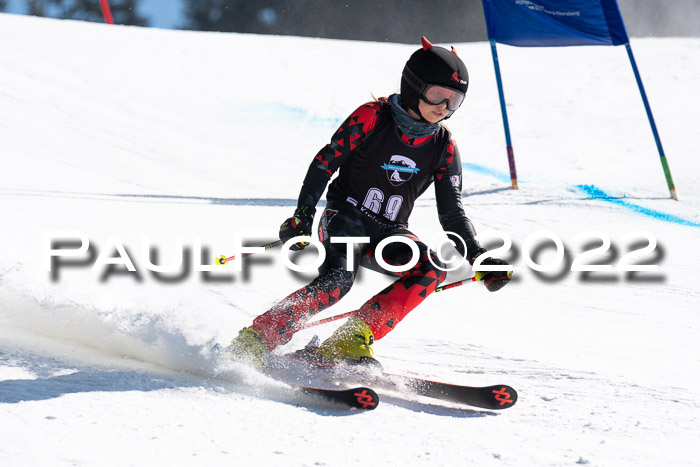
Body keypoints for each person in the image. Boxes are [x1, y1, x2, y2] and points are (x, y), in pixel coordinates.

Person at [228, 36, 511, 368]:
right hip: (344, 218)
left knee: (431, 268)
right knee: (338, 281)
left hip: (389, 231)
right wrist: (302, 216)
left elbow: (452, 211)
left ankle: (350, 341)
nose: (444, 108)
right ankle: (256, 338)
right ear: (414, 85)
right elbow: (324, 164)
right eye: (437, 95)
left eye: (454, 101)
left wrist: (477, 256)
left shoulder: (444, 146)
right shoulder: (373, 117)